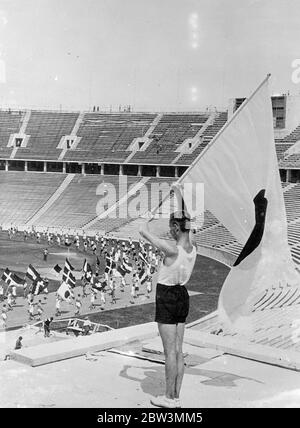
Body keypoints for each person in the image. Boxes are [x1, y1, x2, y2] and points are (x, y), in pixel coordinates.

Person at [139, 210, 197, 409]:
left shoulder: (172, 250)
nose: (169, 232)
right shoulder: (192, 247)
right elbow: (187, 224)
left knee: (169, 352)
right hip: (182, 295)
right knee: (179, 350)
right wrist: (179, 192)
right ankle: (176, 396)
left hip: (167, 297)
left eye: (171, 228)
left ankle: (169, 398)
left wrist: (147, 219)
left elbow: (142, 231)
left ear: (175, 227)